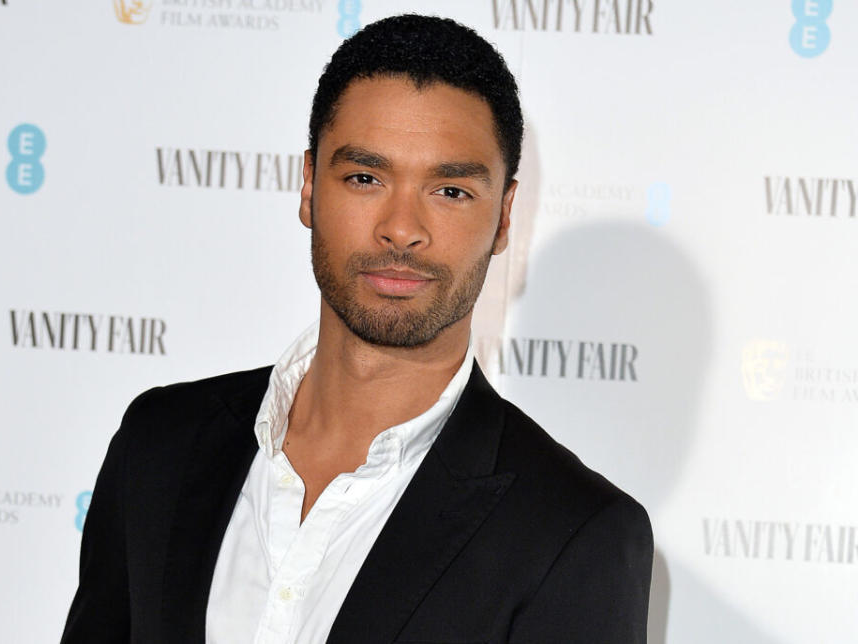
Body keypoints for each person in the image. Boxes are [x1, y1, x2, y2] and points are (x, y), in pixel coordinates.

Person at [61, 14, 653, 644]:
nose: (402, 228)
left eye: (450, 190)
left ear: (504, 217)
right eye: (366, 178)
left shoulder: (574, 533)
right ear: (310, 185)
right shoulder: (159, 445)